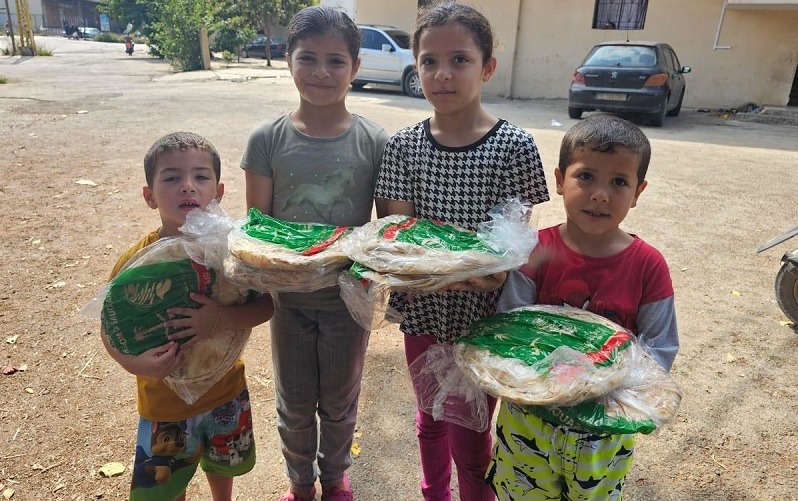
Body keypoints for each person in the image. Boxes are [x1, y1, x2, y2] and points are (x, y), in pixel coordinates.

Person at [374, 2, 549, 500]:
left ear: (487, 67)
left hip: (487, 317)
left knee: (473, 432)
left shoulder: (514, 146)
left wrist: (470, 272)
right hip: (424, 313)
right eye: (429, 61)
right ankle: (435, 493)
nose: (442, 74)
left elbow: (508, 250)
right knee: (430, 418)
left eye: (460, 60)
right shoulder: (403, 148)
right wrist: (455, 272)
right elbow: (399, 241)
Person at [487, 115, 679, 500]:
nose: (600, 194)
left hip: (605, 431)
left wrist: (606, 387)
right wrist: (546, 380)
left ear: (638, 191)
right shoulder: (535, 250)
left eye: (619, 182)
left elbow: (659, 348)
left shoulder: (648, 265)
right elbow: (509, 328)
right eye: (586, 176)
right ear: (559, 180)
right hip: (529, 423)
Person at [240, 6, 388, 501]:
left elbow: (386, 233)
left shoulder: (374, 142)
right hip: (289, 303)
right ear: (287, 59)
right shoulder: (266, 140)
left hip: (348, 303)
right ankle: (300, 484)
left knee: (342, 402)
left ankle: (334, 479)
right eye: (308, 58)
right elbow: (256, 231)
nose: (321, 73)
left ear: (355, 68)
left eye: (336, 61)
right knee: (295, 401)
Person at [102, 131, 274, 501]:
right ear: (149, 196)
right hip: (164, 400)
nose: (187, 187)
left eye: (200, 176)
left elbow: (267, 306)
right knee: (168, 483)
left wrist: (220, 319)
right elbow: (111, 325)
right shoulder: (138, 266)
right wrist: (135, 363)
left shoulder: (233, 256)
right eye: (171, 178)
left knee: (222, 465)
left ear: (220, 191)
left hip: (225, 392)